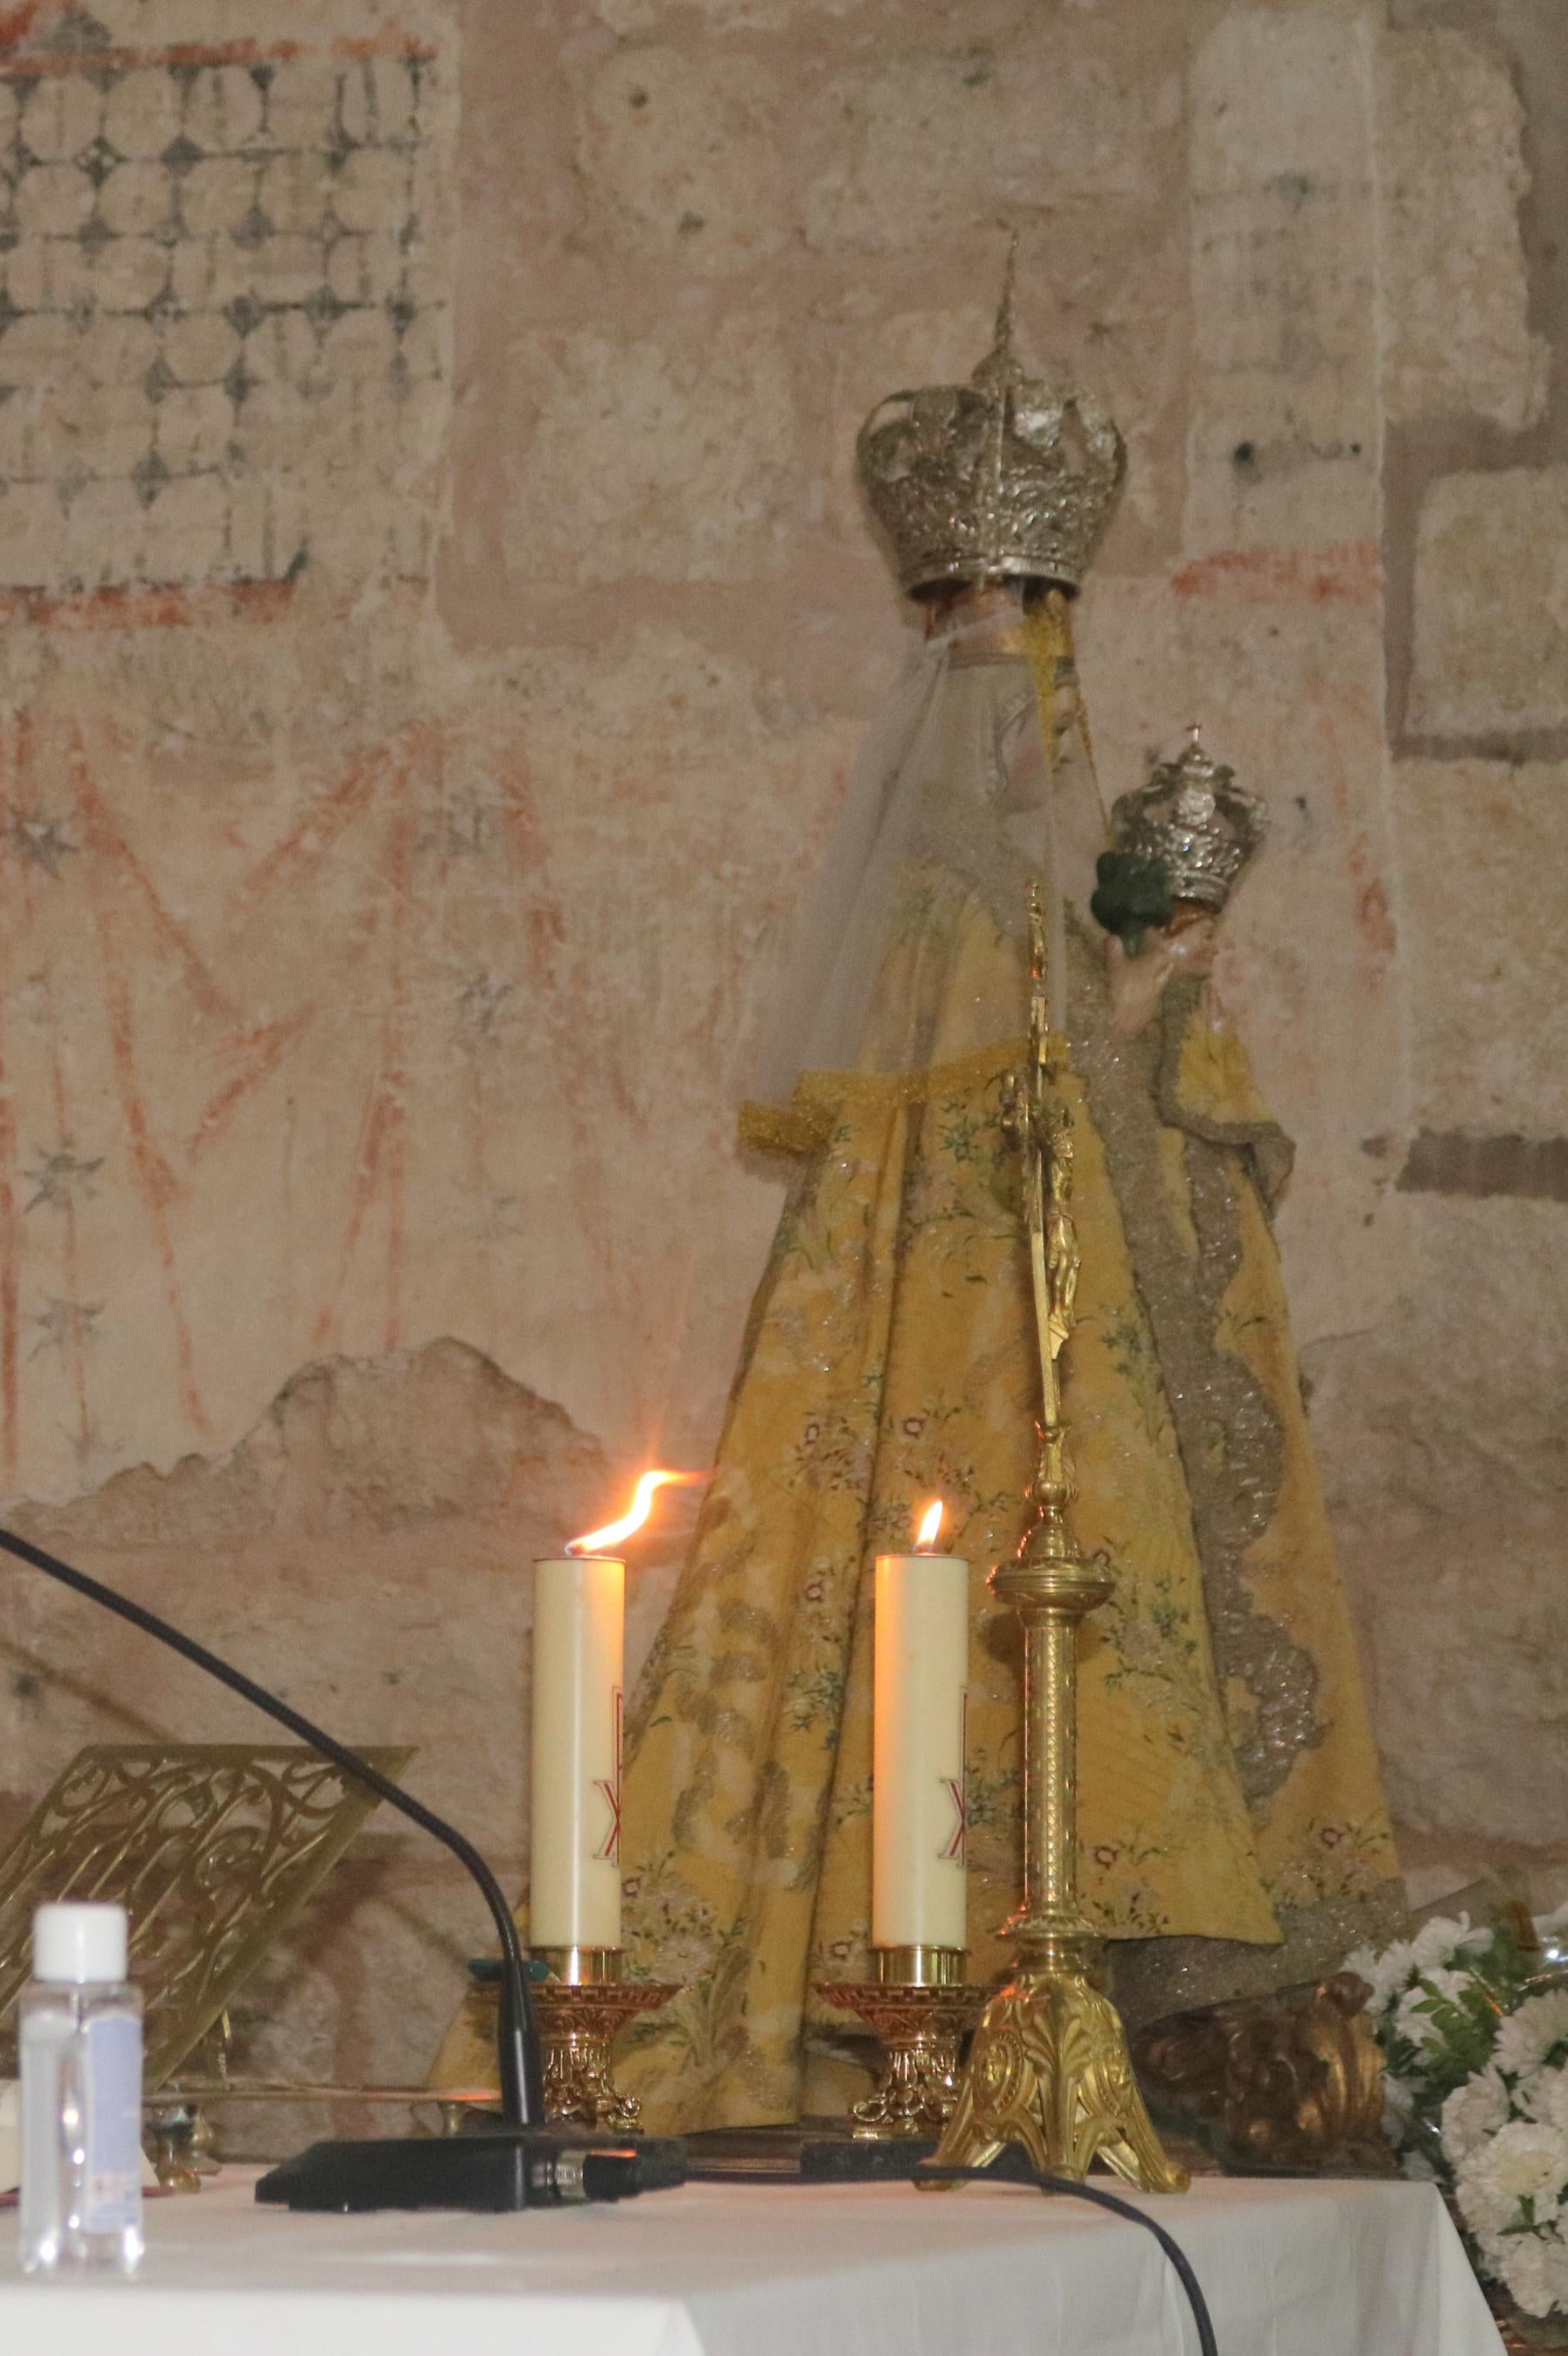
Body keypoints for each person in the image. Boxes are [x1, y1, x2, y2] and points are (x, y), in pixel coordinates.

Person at [593, 294, 1401, 2130]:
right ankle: (895, 2004)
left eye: (1042, 642)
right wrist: (1120, 1016)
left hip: (1063, 1375)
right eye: (997, 644)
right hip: (936, 1381)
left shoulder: (1043, 906)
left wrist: (1162, 983)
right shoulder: (944, 909)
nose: (1028, 692)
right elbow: (970, 1129)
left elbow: (1123, 1129)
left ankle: (1083, 1993)